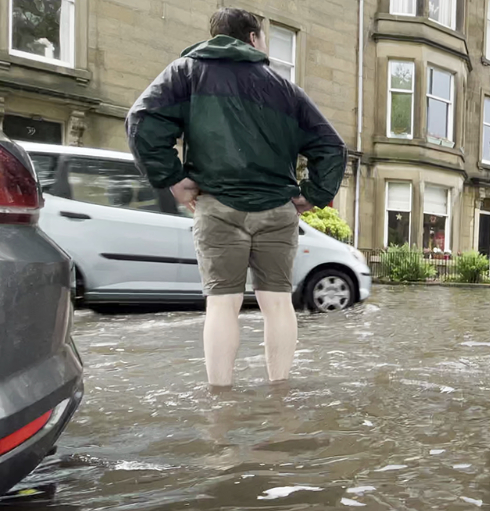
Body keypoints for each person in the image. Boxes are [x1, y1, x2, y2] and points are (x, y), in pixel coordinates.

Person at [127, 8, 346, 388]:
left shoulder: (187, 73)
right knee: (277, 304)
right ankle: (279, 393)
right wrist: (313, 195)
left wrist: (174, 180)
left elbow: (142, 120)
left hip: (217, 206)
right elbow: (331, 146)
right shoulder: (284, 89)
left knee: (222, 305)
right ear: (253, 38)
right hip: (277, 210)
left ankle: (221, 402)